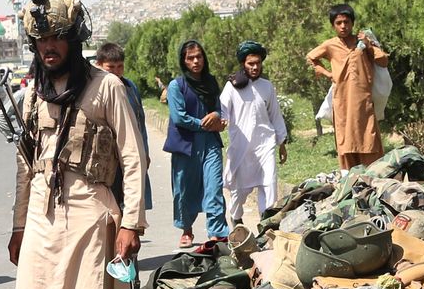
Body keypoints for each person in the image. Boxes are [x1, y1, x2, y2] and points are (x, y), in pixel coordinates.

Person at [1, 0, 146, 289]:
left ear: (75, 39)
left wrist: (132, 224)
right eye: (41, 39)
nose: (49, 47)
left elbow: (133, 157)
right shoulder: (32, 96)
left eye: (58, 37)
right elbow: (25, 166)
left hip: (92, 213)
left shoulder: (107, 87)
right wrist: (19, 225)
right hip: (43, 214)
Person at [306, 3, 387, 169]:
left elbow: (384, 61)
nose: (343, 26)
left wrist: (369, 46)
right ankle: (350, 180)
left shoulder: (364, 41)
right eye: (338, 23)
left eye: (346, 22)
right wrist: (328, 74)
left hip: (364, 102)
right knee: (346, 140)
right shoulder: (330, 45)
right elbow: (311, 57)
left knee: (368, 138)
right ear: (333, 25)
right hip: (342, 102)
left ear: (352, 23)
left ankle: (373, 177)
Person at [164, 40, 228, 247]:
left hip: (210, 143)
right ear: (183, 61)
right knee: (184, 189)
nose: (196, 61)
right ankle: (186, 229)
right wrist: (206, 124)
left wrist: (217, 116)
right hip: (186, 144)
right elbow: (179, 117)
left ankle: (217, 232)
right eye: (190, 58)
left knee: (214, 187)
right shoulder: (176, 86)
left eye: (199, 56)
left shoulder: (210, 82)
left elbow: (217, 108)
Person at [220, 39, 288, 226]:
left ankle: (266, 224)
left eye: (258, 63)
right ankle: (236, 219)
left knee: (269, 184)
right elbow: (222, 111)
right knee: (238, 191)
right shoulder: (231, 87)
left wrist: (282, 143)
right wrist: (221, 120)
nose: (255, 67)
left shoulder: (267, 86)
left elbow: (275, 115)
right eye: (251, 63)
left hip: (265, 145)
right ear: (243, 64)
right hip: (241, 148)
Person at [94, 41, 151, 218]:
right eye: (110, 67)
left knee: (131, 205)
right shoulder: (94, 91)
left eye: (120, 67)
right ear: (99, 66)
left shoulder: (130, 88)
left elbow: (140, 124)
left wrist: (144, 153)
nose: (116, 72)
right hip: (105, 160)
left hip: (128, 155)